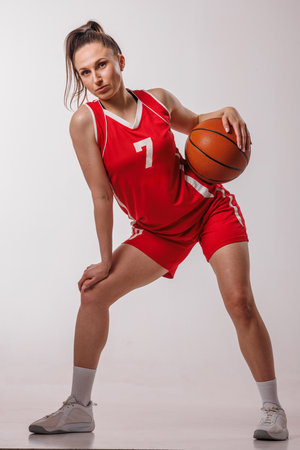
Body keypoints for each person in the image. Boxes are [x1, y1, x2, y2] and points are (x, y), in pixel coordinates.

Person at [28, 20, 289, 440]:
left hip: (207, 206)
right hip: (158, 232)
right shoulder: (85, 122)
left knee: (240, 301)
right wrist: (107, 259)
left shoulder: (158, 101)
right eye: (85, 72)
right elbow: (100, 196)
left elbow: (201, 124)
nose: (96, 78)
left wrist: (230, 110)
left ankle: (273, 410)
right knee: (93, 293)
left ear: (120, 61)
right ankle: (78, 408)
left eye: (102, 65)